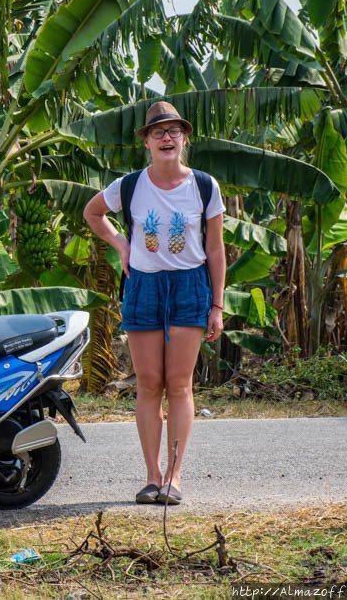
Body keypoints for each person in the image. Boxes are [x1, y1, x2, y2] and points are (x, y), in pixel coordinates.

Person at [82, 101, 226, 506]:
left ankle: (174, 479)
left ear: (184, 138)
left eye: (174, 131)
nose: (167, 137)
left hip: (189, 286)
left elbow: (215, 250)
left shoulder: (204, 185)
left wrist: (216, 304)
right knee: (148, 385)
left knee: (179, 385)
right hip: (143, 286)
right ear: (146, 141)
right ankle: (151, 477)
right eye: (158, 132)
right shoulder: (128, 185)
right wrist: (121, 244)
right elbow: (93, 213)